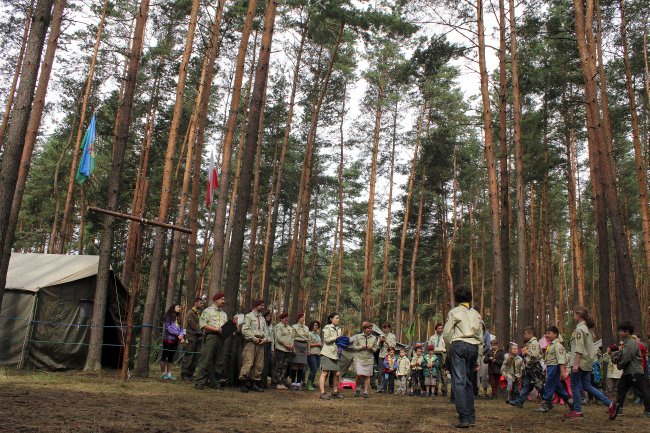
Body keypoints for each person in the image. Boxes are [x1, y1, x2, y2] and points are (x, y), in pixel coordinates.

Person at [565, 305, 617, 420]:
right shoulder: (588, 329)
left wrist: (576, 364)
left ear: (578, 315)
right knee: (587, 386)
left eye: (574, 313)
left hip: (580, 362)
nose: (573, 316)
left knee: (574, 385)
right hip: (588, 363)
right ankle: (610, 404)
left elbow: (579, 348)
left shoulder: (579, 329)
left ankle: (577, 411)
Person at [443, 285, 483, 429]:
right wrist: (478, 356)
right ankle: (471, 417)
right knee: (468, 382)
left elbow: (447, 333)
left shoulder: (454, 312)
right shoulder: (476, 314)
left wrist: (449, 349)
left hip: (459, 345)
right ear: (470, 298)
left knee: (459, 382)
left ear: (456, 298)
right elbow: (480, 337)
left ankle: (464, 417)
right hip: (473, 347)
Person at [611, 321, 650, 419]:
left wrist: (619, 365)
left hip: (634, 372)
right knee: (620, 389)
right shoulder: (627, 342)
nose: (620, 333)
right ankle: (618, 409)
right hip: (628, 372)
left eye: (621, 331)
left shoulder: (631, 343)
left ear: (627, 332)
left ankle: (648, 411)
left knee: (642, 392)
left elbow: (626, 358)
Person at [194, 292, 232, 390]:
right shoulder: (208, 311)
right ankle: (199, 382)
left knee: (219, 362)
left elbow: (224, 327)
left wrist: (232, 328)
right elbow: (202, 324)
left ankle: (215, 382)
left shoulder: (224, 314)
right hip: (211, 337)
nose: (223, 301)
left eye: (224, 299)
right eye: (222, 299)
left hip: (221, 339)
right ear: (216, 300)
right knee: (206, 360)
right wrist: (215, 329)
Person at [536, 326, 573, 413]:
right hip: (550, 367)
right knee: (557, 387)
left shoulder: (558, 345)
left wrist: (561, 371)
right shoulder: (551, 344)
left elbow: (561, 360)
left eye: (549, 333)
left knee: (549, 385)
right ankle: (570, 401)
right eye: (546, 333)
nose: (547, 335)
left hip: (554, 367)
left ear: (555, 334)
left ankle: (545, 404)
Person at [508, 326, 545, 408]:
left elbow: (534, 355)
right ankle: (519, 401)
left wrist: (527, 352)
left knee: (539, 385)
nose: (524, 336)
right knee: (526, 385)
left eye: (525, 334)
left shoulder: (534, 343)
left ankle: (547, 401)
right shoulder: (529, 343)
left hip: (535, 367)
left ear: (531, 334)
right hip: (529, 367)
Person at [239, 299, 268, 393]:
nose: (263, 307)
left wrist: (265, 339)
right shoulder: (249, 316)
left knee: (259, 365)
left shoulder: (262, 318)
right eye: (262, 305)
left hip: (261, 343)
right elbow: (245, 330)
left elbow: (266, 332)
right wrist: (254, 338)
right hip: (251, 342)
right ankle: (243, 383)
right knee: (248, 363)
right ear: (256, 305)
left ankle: (254, 383)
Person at [319, 312, 343, 400]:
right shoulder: (327, 327)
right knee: (324, 372)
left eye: (338, 318)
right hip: (327, 353)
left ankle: (335, 392)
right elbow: (326, 340)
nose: (338, 319)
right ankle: (322, 393)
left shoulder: (339, 329)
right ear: (331, 319)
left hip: (336, 354)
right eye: (336, 318)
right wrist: (336, 338)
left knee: (337, 374)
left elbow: (339, 341)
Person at [353, 321, 379, 398]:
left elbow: (376, 349)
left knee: (368, 375)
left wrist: (372, 349)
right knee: (359, 374)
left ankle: (366, 391)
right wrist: (361, 347)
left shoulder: (374, 338)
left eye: (371, 328)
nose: (370, 330)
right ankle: (358, 388)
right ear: (364, 329)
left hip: (369, 359)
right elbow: (354, 347)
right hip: (359, 359)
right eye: (368, 328)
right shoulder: (358, 336)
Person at [180, 298, 203, 381]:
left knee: (196, 357)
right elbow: (193, 325)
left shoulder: (198, 313)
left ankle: (190, 374)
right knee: (189, 356)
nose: (202, 304)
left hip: (198, 338)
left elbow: (200, 324)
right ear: (195, 303)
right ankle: (184, 374)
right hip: (190, 337)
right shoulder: (190, 312)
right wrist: (201, 333)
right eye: (200, 303)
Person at [161, 304, 185, 380]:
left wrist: (181, 336)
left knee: (171, 357)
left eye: (179, 307)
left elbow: (181, 328)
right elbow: (169, 328)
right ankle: (163, 374)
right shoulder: (168, 316)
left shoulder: (179, 317)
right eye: (177, 307)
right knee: (165, 356)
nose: (179, 308)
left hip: (176, 340)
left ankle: (169, 374)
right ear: (173, 308)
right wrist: (178, 334)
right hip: (168, 339)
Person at [272, 312, 294, 390]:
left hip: (288, 350)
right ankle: (276, 382)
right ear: (281, 319)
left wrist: (292, 345)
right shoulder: (278, 326)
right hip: (281, 349)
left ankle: (282, 382)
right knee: (279, 366)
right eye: (285, 318)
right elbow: (278, 337)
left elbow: (292, 337)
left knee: (285, 366)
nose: (286, 319)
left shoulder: (289, 327)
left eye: (287, 318)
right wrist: (285, 344)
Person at [290, 312, 309, 390]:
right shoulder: (294, 327)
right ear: (298, 318)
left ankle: (298, 383)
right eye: (301, 317)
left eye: (303, 317)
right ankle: (293, 383)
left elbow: (308, 338)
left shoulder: (306, 328)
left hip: (304, 346)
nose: (303, 318)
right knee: (295, 364)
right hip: (297, 345)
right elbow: (292, 338)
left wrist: (308, 349)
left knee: (301, 365)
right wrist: (293, 348)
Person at [429, 323, 448, 396]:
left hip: (443, 355)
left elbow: (447, 347)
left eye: (441, 328)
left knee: (443, 374)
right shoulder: (432, 338)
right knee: (435, 373)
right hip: (435, 355)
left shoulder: (445, 337)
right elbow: (429, 347)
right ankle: (435, 390)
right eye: (439, 329)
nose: (440, 330)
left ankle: (444, 391)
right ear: (436, 329)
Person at [378, 323, 397, 392]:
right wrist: (380, 341)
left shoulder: (392, 336)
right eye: (384, 328)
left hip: (389, 356)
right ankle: (381, 388)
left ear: (389, 328)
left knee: (390, 372)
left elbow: (393, 346)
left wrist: (386, 340)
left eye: (387, 328)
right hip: (381, 355)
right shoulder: (381, 335)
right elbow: (378, 347)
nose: (385, 329)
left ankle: (390, 388)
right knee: (381, 372)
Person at [307, 320, 322, 391]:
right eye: (315, 325)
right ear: (312, 326)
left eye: (317, 325)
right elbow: (309, 344)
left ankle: (311, 383)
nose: (316, 327)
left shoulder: (318, 335)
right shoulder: (309, 334)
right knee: (313, 369)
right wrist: (318, 344)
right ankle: (309, 384)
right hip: (312, 354)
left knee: (315, 369)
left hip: (318, 354)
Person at [261, 309, 274, 388]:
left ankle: (264, 382)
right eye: (267, 316)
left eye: (269, 316)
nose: (269, 317)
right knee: (262, 363)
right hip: (263, 344)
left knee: (267, 363)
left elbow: (272, 337)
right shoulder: (262, 324)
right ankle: (260, 382)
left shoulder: (270, 325)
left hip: (269, 345)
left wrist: (272, 347)